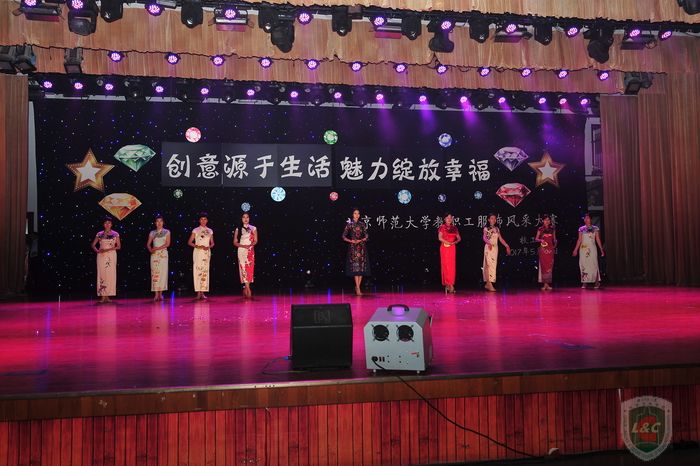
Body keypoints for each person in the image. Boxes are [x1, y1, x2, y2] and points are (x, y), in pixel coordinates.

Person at [91, 216, 121, 303]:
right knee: (102, 274)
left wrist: (107, 250)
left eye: (109, 223)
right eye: (106, 223)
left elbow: (119, 246)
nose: (107, 224)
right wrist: (97, 251)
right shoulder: (99, 234)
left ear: (111, 224)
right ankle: (103, 296)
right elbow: (93, 245)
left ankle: (107, 296)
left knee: (110, 275)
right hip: (101, 256)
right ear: (103, 224)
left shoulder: (115, 234)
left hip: (111, 256)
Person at [572, 213, 605, 289]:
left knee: (594, 265)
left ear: (591, 219)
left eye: (588, 218)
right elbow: (579, 240)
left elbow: (598, 239)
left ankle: (596, 282)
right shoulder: (581, 229)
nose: (587, 219)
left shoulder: (595, 228)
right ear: (584, 220)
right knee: (584, 265)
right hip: (583, 249)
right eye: (585, 218)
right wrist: (575, 250)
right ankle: (584, 282)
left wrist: (601, 249)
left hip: (592, 249)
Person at [342, 208, 370, 296]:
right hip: (353, 248)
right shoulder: (349, 225)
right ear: (352, 215)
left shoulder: (362, 224)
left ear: (359, 215)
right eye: (355, 213)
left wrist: (361, 240)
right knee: (356, 268)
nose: (356, 215)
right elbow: (343, 236)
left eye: (358, 213)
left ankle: (358, 287)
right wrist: (351, 241)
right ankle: (358, 288)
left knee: (361, 269)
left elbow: (367, 236)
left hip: (361, 248)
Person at [188, 212, 215, 300]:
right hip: (198, 252)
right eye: (201, 219)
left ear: (207, 220)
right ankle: (198, 293)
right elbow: (189, 242)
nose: (203, 221)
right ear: (199, 221)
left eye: (205, 219)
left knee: (205, 271)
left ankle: (202, 293)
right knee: (197, 270)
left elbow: (212, 243)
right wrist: (198, 246)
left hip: (206, 253)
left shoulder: (210, 231)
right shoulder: (195, 230)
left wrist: (209, 247)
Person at [482, 214, 511, 292]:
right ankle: (489, 284)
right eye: (492, 218)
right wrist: (488, 243)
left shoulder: (497, 229)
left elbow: (500, 239)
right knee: (488, 265)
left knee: (493, 266)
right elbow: (484, 237)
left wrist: (507, 246)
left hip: (495, 249)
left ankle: (488, 284)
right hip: (489, 247)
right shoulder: (486, 228)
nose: (494, 220)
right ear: (488, 219)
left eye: (495, 218)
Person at [146, 214, 171, 301]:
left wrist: (157, 248)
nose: (159, 223)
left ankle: (161, 293)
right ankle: (156, 294)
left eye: (161, 221)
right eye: (157, 221)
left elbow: (167, 244)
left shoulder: (167, 232)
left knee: (163, 273)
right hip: (155, 255)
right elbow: (148, 244)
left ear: (163, 222)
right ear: (155, 223)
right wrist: (151, 250)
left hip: (163, 255)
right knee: (155, 273)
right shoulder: (152, 233)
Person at [233, 212, 257, 299]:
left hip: (250, 250)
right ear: (241, 219)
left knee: (249, 269)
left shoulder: (253, 228)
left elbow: (256, 241)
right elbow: (235, 242)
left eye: (247, 217)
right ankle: (248, 289)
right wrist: (243, 246)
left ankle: (246, 288)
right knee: (243, 269)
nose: (245, 219)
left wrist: (249, 245)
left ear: (249, 218)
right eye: (244, 217)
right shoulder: (238, 229)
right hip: (241, 251)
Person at [438, 213, 461, 293]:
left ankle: (450, 284)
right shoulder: (442, 227)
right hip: (444, 247)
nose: (449, 219)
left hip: (452, 248)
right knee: (446, 265)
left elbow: (459, 238)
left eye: (451, 218)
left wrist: (455, 242)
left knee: (451, 266)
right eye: (447, 218)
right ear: (444, 219)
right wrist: (447, 242)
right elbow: (440, 238)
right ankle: (449, 285)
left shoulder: (454, 228)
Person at [535, 215, 557, 291]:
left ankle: (547, 284)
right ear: (543, 221)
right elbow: (536, 238)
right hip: (543, 249)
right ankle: (545, 284)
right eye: (545, 220)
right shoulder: (540, 229)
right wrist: (541, 240)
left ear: (550, 221)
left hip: (550, 250)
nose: (547, 221)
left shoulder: (552, 229)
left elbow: (554, 239)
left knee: (549, 266)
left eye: (548, 220)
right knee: (544, 266)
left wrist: (555, 244)